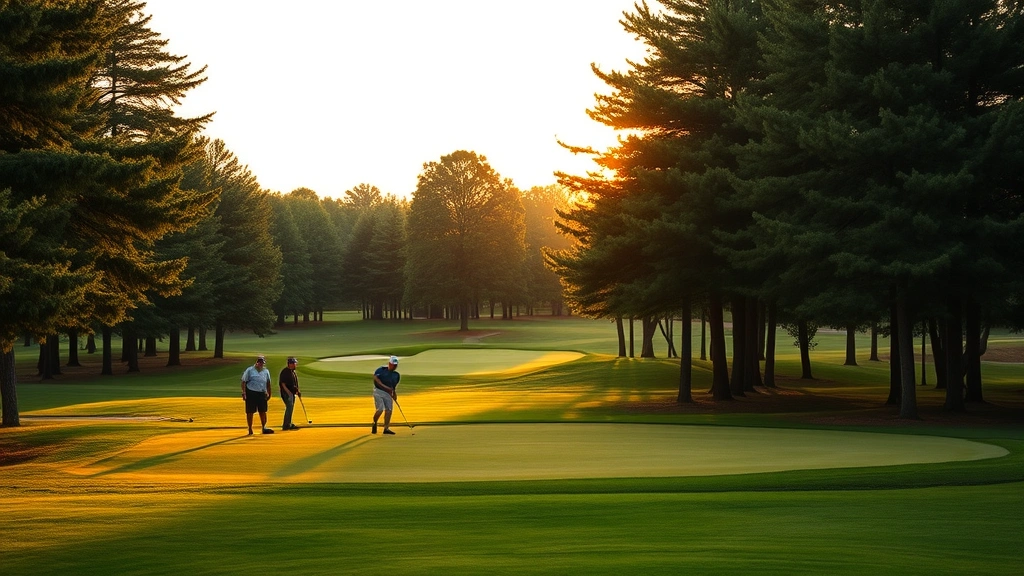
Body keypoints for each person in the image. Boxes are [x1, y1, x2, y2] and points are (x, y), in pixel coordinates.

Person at [241, 355, 274, 435]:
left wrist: (269, 393)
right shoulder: (250, 370)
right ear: (256, 362)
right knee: (250, 411)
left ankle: (264, 427)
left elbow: (268, 383)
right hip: (251, 392)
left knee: (263, 411)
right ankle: (250, 428)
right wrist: (244, 392)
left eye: (262, 363)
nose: (261, 364)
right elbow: (243, 381)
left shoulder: (266, 371)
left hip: (262, 393)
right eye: (259, 362)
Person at [371, 355, 400, 435]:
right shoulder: (381, 370)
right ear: (389, 363)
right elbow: (375, 378)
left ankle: (386, 428)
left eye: (395, 365)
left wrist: (394, 394)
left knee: (389, 410)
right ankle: (374, 422)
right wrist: (385, 387)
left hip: (388, 394)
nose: (394, 367)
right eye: (392, 365)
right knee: (380, 409)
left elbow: (393, 387)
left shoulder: (396, 375)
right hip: (378, 391)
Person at [279, 356, 301, 431]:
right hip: (287, 394)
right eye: (294, 363)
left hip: (291, 393)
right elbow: (283, 384)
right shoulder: (285, 372)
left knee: (290, 408)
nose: (295, 365)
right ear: (290, 364)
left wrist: (297, 391)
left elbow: (294, 384)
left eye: (295, 363)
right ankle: (286, 425)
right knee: (289, 408)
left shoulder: (292, 372)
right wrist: (289, 393)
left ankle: (289, 423)